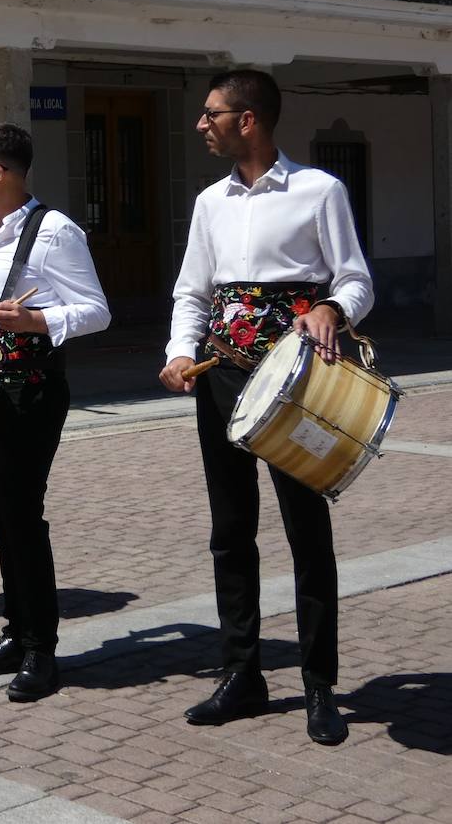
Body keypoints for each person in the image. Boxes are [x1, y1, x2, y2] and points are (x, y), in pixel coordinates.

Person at [160, 69, 373, 746]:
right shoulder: (209, 202)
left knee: (306, 532)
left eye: (212, 113)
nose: (203, 124)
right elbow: (192, 290)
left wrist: (333, 309)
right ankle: (242, 671)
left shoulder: (319, 190)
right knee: (230, 530)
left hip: (296, 382)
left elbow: (355, 277)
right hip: (222, 375)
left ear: (248, 119)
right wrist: (176, 349)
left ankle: (319, 686)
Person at [0, 123, 110, 701]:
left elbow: (96, 311)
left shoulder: (55, 231)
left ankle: (41, 648)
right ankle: (17, 629)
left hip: (30, 392)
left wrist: (38, 320)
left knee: (22, 516)